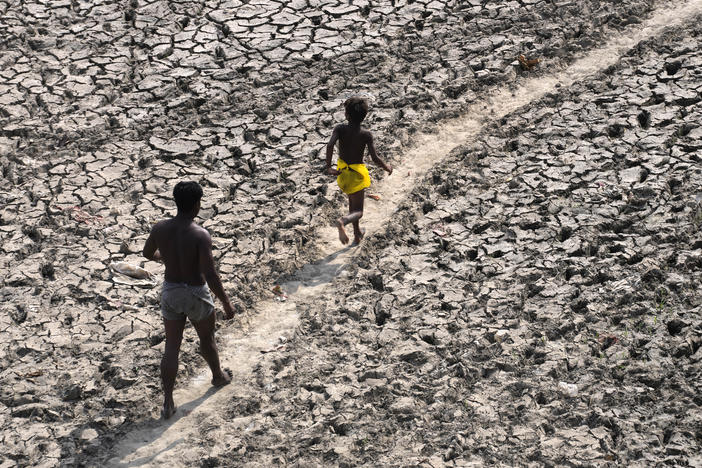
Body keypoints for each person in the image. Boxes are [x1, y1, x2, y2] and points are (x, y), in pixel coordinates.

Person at [143, 181, 235, 419]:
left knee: (172, 347)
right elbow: (210, 273)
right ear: (196, 205)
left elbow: (147, 253)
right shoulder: (200, 234)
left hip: (171, 291)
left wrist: (166, 257)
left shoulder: (160, 228)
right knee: (206, 337)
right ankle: (217, 375)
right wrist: (225, 301)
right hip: (195, 292)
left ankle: (168, 402)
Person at [325, 96, 392, 245]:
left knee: (352, 203)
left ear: (346, 115)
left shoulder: (340, 128)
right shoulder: (366, 134)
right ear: (364, 116)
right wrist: (387, 167)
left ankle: (357, 233)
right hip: (356, 175)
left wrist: (329, 167)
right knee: (359, 211)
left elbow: (330, 145)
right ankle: (343, 221)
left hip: (342, 172)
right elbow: (374, 158)